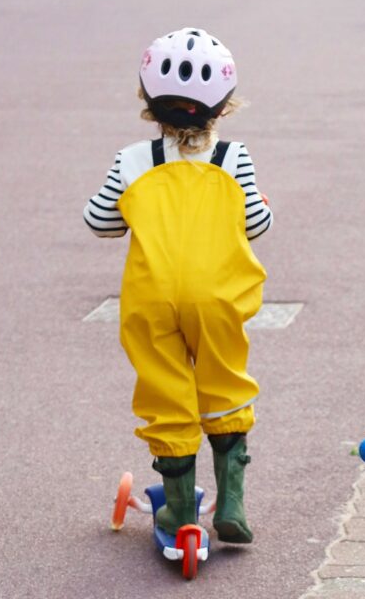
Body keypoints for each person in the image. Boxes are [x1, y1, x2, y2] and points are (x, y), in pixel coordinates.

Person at [85, 27, 273, 547]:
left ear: (147, 99)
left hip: (152, 299)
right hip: (217, 296)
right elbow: (255, 223)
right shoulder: (233, 158)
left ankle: (175, 511)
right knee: (224, 384)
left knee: (166, 392)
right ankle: (231, 500)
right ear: (224, 105)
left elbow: (99, 221)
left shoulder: (132, 160)